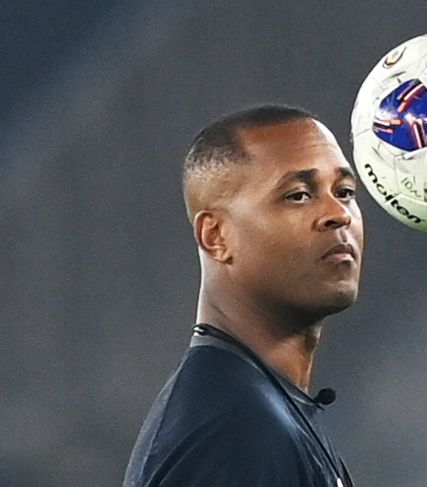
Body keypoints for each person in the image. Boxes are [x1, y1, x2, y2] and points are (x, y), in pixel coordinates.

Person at [123, 105, 363, 487]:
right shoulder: (235, 432)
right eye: (299, 195)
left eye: (344, 192)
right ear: (216, 236)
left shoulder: (256, 406)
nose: (339, 213)